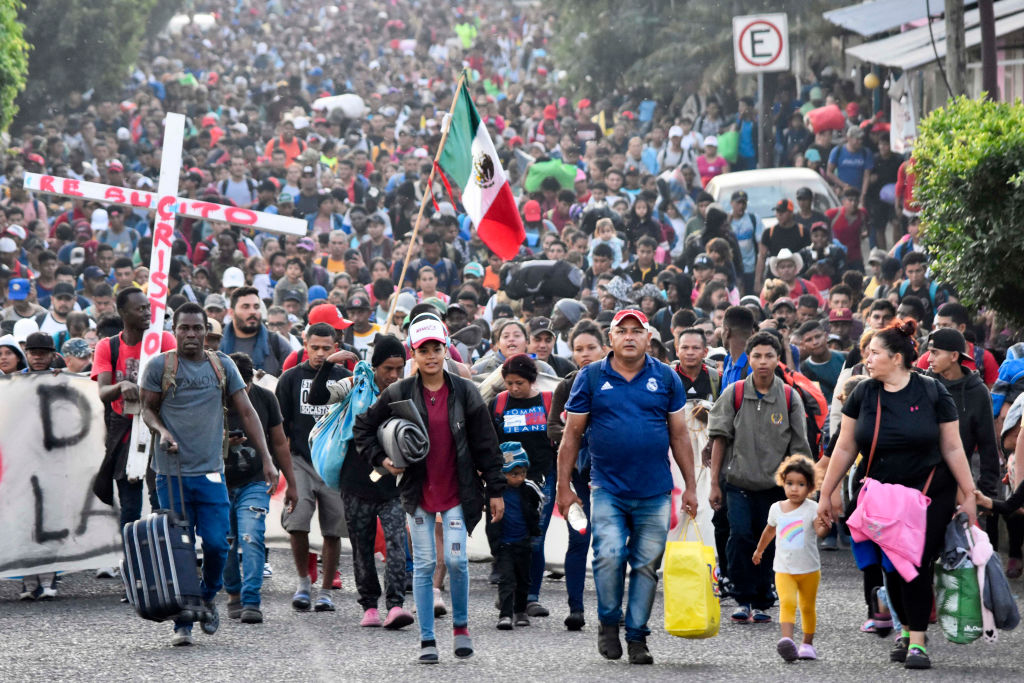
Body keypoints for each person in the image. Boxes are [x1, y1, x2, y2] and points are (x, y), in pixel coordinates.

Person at [818, 319, 978, 671]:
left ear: (897, 358)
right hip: (879, 493)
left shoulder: (933, 392)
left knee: (916, 564)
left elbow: (952, 448)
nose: (868, 359)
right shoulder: (862, 392)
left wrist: (969, 492)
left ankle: (918, 641)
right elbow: (844, 447)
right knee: (891, 567)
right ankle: (904, 629)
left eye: (874, 353)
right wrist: (826, 492)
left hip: (929, 492)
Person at [353, 313, 506, 664]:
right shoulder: (398, 392)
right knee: (423, 566)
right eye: (424, 350)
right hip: (418, 494)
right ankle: (427, 640)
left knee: (455, 560)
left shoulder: (465, 391)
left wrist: (495, 489)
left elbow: (487, 444)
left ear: (446, 349)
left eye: (437, 347)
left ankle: (461, 629)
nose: (432, 355)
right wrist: (383, 461)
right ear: (414, 354)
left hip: (458, 491)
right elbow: (364, 429)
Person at [556, 308, 698, 665]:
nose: (630, 336)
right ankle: (608, 622)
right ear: (612, 338)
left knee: (647, 565)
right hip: (606, 488)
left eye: (638, 330)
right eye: (623, 330)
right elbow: (571, 435)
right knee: (608, 555)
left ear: (649, 338)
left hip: (655, 491)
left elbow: (679, 435)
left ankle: (637, 637)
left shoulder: (666, 378)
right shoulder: (589, 377)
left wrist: (691, 486)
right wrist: (563, 487)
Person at [141, 302, 281, 647]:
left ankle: (206, 597)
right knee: (181, 547)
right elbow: (146, 408)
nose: (191, 334)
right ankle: (183, 619)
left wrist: (267, 458)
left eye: (197, 328)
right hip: (170, 474)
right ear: (175, 331)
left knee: (218, 544)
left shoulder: (223, 366)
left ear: (207, 331)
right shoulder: (160, 366)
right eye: (184, 328)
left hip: (211, 472)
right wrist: (163, 431)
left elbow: (247, 412)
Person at [306, 334, 414, 630]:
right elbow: (316, 397)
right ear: (374, 366)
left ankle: (395, 606)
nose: (393, 376)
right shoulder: (354, 385)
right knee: (362, 546)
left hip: (392, 484)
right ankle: (369, 606)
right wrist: (327, 366)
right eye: (387, 369)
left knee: (396, 542)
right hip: (355, 483)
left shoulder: (408, 391)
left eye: (399, 369)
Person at [709, 331, 810, 624]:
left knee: (769, 543)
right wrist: (714, 482)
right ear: (748, 359)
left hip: (775, 488)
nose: (763, 362)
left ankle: (763, 598)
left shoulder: (790, 397)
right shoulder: (735, 393)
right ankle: (743, 598)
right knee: (740, 537)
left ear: (778, 359)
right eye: (757, 356)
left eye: (769, 355)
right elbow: (719, 439)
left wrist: (803, 492)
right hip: (738, 484)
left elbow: (799, 449)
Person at [275, 322, 351, 613]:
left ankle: (326, 589)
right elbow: (278, 426)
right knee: (297, 520)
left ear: (336, 347)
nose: (320, 354)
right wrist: (281, 466)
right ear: (305, 344)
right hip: (300, 460)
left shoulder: (345, 378)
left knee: (333, 528)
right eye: (315, 347)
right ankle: (303, 581)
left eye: (326, 348)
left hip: (333, 462)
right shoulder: (291, 378)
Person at [92, 287, 177, 535]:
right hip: (124, 432)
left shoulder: (164, 341)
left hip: (159, 427)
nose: (146, 313)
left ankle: (166, 557)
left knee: (161, 500)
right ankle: (132, 561)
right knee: (130, 506)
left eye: (148, 307)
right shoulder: (108, 346)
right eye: (140, 309)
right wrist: (121, 385)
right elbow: (103, 392)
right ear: (122, 313)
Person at [222, 352, 298, 624]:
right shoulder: (211, 398)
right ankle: (233, 594)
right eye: (234, 386)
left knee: (252, 536)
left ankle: (251, 599)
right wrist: (224, 444)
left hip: (255, 482)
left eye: (246, 385)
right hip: (219, 482)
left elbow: (279, 442)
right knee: (224, 542)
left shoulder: (266, 399)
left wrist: (291, 482)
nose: (240, 392)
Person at [546, 321, 607, 631]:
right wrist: (578, 434)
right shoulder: (567, 386)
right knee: (578, 541)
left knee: (610, 546)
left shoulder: (620, 381)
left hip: (614, 478)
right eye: (579, 349)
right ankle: (576, 608)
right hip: (580, 477)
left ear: (605, 347)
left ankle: (612, 611)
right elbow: (553, 429)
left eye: (591, 348)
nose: (585, 354)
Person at [489, 353, 556, 618]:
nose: (514, 388)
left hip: (540, 482)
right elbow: (490, 442)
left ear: (532, 380)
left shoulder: (547, 402)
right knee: (507, 539)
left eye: (520, 383)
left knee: (535, 539)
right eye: (509, 383)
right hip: (507, 484)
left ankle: (530, 597)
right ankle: (509, 593)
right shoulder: (499, 404)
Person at [752, 455, 830, 662]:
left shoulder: (812, 509)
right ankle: (787, 641)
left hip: (809, 569)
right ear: (782, 482)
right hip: (783, 569)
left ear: (810, 487)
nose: (794, 489)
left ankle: (807, 644)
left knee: (806, 606)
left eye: (801, 484)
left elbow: (819, 533)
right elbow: (769, 531)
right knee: (787, 602)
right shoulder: (776, 508)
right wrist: (759, 551)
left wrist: (825, 527)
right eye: (790, 483)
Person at [924, 329, 1000, 500]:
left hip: (957, 485)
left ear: (954, 356)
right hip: (920, 483)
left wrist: (987, 493)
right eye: (929, 352)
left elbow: (988, 446)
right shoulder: (925, 385)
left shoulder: (977, 392)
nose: (929, 359)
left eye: (935, 353)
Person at [488, 442, 544, 630]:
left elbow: (539, 505)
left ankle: (520, 611)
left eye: (523, 473)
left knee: (523, 579)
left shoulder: (529, 489)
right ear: (503, 473)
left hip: (523, 541)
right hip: (503, 543)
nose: (520, 478)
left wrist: (534, 529)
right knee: (506, 579)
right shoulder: (495, 492)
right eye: (514, 474)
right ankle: (505, 614)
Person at [219, 286, 292, 377]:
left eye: (256, 307)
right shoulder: (217, 344)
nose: (253, 312)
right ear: (231, 313)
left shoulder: (277, 344)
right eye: (246, 307)